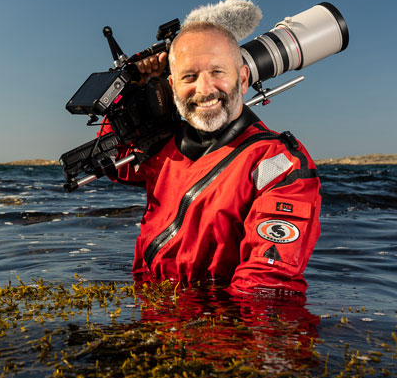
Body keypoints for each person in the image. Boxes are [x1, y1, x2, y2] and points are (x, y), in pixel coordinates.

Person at [108, 20, 321, 294]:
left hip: (221, 325)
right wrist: (130, 91)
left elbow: (266, 284)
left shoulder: (278, 163)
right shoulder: (165, 148)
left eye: (217, 71)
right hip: (152, 313)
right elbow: (115, 163)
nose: (205, 89)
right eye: (189, 77)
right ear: (172, 86)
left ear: (243, 79)